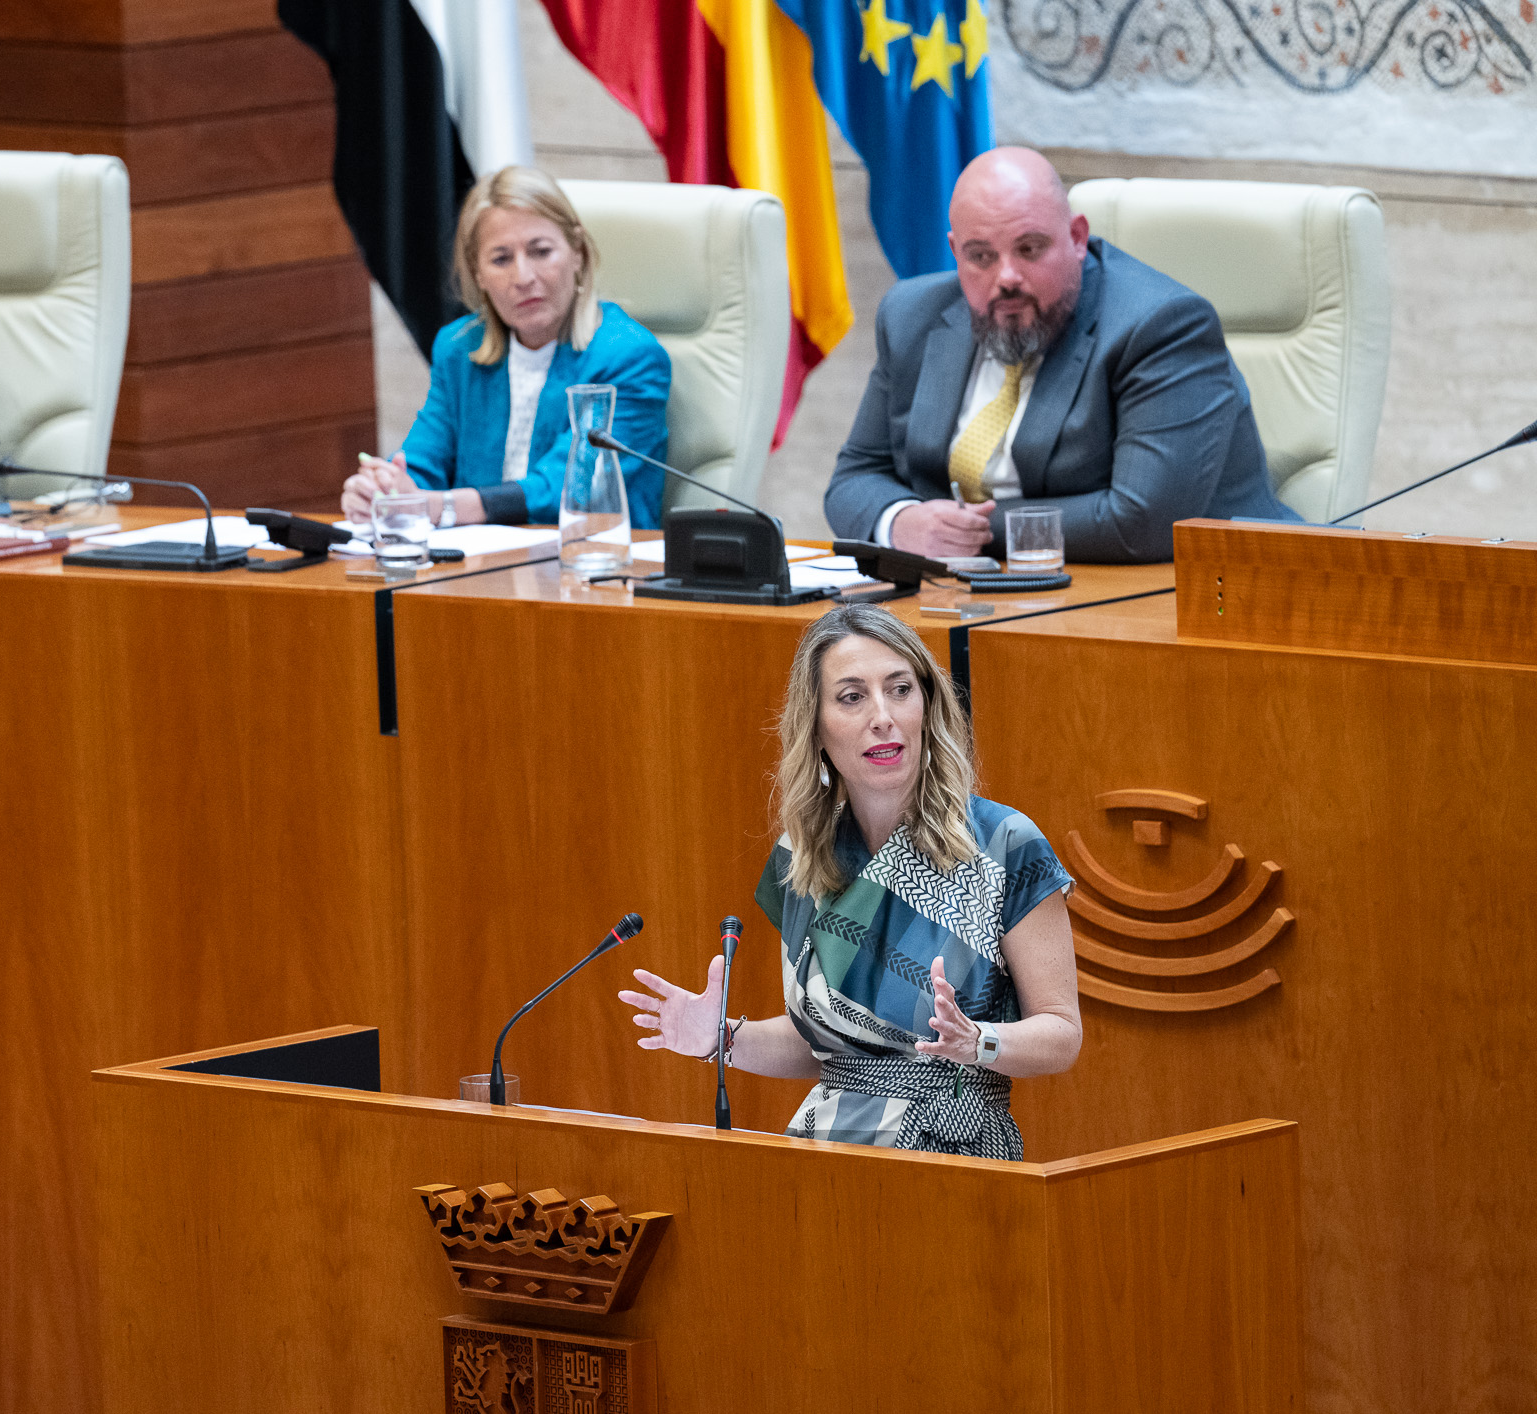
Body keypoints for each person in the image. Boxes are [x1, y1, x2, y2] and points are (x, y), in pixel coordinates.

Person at [619, 604, 1082, 1158]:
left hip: (955, 1151)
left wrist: (976, 1041)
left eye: (901, 689)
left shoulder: (1004, 842)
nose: (882, 716)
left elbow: (1061, 1033)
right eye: (852, 696)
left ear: (928, 709)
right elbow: (819, 1045)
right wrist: (720, 1039)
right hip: (829, 1150)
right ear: (815, 728)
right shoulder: (805, 857)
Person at [824, 147, 1298, 564]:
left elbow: (1140, 522)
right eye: (981, 256)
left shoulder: (1161, 325)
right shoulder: (912, 315)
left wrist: (964, 531)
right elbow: (856, 475)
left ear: (1075, 237)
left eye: (1029, 248)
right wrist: (901, 520)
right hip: (982, 599)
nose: (1006, 276)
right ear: (954, 251)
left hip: (1191, 596)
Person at [341, 166, 670, 529]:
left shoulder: (628, 357)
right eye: (501, 259)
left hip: (593, 565)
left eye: (541, 251)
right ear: (478, 273)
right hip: (480, 570)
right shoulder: (460, 350)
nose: (524, 277)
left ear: (577, 252)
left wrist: (440, 507)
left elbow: (568, 486)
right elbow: (422, 462)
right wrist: (385, 491)